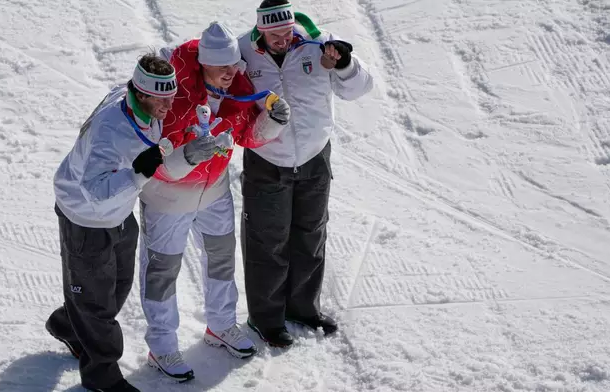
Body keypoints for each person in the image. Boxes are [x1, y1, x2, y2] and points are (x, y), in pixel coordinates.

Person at [137, 22, 291, 381]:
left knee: (221, 262)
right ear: (203, 62)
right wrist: (188, 156)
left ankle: (220, 325)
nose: (231, 72)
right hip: (167, 198)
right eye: (222, 66)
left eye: (234, 64)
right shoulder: (171, 95)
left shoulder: (238, 87)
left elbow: (248, 136)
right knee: (161, 273)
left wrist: (273, 122)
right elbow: (154, 156)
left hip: (215, 192)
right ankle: (161, 347)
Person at [237, 0, 374, 347]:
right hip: (267, 158)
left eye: (287, 34)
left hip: (314, 156)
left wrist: (344, 65)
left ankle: (303, 307)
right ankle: (265, 319)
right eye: (275, 36)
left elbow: (359, 88)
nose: (283, 41)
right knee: (267, 241)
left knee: (311, 234)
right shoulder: (242, 51)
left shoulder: (319, 45)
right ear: (260, 31)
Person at [45, 54, 179, 392]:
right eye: (161, 98)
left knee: (117, 286)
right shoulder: (111, 128)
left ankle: (69, 325)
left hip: (118, 213)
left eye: (171, 94)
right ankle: (102, 375)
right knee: (95, 301)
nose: (168, 104)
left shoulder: (139, 99)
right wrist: (139, 173)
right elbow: (93, 189)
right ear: (142, 93)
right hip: (86, 217)